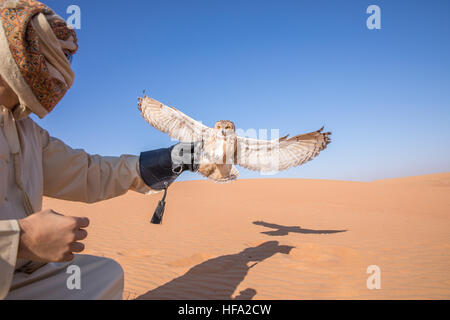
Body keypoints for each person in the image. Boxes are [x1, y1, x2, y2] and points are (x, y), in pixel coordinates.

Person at [0, 0, 196, 300]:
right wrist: (19, 241)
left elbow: (89, 172)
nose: (64, 72)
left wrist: (172, 160)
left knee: (102, 275)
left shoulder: (26, 131)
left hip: (18, 275)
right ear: (16, 52)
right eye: (57, 54)